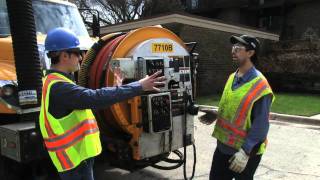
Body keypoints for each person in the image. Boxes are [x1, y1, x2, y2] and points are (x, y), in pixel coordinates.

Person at [39, 28, 166, 180]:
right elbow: (94, 98)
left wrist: (116, 89)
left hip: (77, 158)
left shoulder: (53, 81)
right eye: (77, 53)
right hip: (75, 162)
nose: (81, 57)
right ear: (64, 55)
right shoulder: (60, 88)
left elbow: (86, 98)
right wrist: (139, 86)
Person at [207, 35, 275, 180]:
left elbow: (261, 125)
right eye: (233, 48)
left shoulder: (260, 86)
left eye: (238, 49)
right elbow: (234, 107)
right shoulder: (232, 77)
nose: (233, 51)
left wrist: (245, 152)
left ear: (250, 53)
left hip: (244, 154)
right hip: (222, 148)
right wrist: (217, 114)